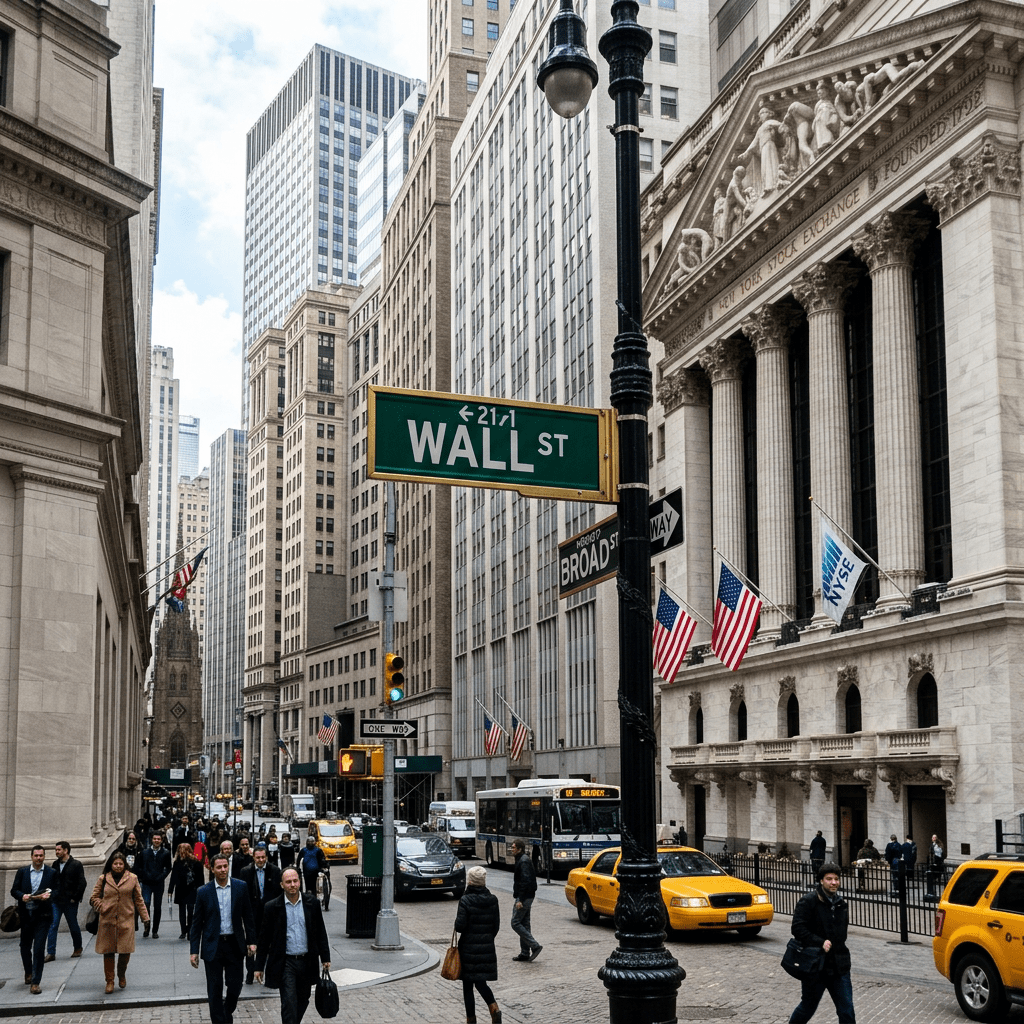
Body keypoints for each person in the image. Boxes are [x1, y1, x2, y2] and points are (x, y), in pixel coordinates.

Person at [253, 867, 331, 1024]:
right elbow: (264, 940)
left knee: (303, 999)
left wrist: (325, 958)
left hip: (307, 960)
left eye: (295, 881)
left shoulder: (312, 903)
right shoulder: (272, 907)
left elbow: (320, 932)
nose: (292, 885)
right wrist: (258, 966)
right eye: (288, 882)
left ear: (300, 882)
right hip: (286, 962)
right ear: (282, 885)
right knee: (288, 1002)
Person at [190, 853, 257, 1024]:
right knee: (214, 988)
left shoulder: (240, 887)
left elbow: (248, 916)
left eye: (225, 866)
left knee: (235, 985)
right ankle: (219, 1021)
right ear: (212, 869)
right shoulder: (203, 892)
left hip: (235, 943)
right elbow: (196, 924)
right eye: (218, 867)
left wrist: (251, 941)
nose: (222, 870)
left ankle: (226, 1011)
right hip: (213, 945)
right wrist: (194, 951)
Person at [787, 862, 855, 1024]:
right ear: (821, 881)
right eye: (829, 879)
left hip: (839, 965)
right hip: (815, 965)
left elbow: (841, 934)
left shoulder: (841, 903)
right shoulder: (808, 901)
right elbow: (797, 928)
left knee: (847, 1010)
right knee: (808, 1006)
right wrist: (820, 942)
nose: (834, 883)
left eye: (836, 879)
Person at [90, 850, 149, 994]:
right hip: (107, 920)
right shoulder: (103, 878)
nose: (117, 866)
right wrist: (101, 905)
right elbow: (94, 897)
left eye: (120, 864)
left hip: (126, 920)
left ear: (125, 865)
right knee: (108, 952)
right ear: (111, 864)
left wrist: (145, 917)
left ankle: (121, 974)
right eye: (115, 863)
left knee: (125, 951)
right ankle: (109, 981)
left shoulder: (132, 878)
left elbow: (138, 899)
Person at [455, 865, 502, 1024]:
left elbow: (460, 926)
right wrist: (487, 938)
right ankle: (493, 1007)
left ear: (470, 881)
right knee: (481, 981)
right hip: (487, 946)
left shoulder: (465, 900)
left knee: (468, 985)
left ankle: (471, 1019)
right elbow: (496, 926)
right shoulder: (492, 899)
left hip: (468, 948)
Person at [11, 845, 57, 993]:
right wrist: (22, 896)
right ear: (31, 856)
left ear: (44, 857)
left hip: (43, 916)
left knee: (38, 949)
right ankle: (28, 972)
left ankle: (35, 982)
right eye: (36, 856)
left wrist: (49, 896)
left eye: (41, 856)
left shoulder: (51, 873)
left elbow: (57, 890)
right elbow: (14, 890)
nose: (38, 858)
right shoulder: (22, 872)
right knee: (25, 946)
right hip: (26, 916)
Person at [241, 845, 282, 984]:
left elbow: (279, 893)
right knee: (251, 944)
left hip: (270, 914)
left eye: (263, 857)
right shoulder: (246, 872)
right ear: (253, 858)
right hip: (252, 915)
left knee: (269, 944)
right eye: (258, 857)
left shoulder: (275, 871)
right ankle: (250, 973)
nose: (260, 860)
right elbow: (243, 894)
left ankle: (268, 972)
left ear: (266, 857)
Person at [46, 840, 86, 962]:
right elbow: (52, 881)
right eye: (56, 850)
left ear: (66, 850)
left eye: (58, 850)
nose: (56, 852)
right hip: (56, 901)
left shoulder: (76, 864)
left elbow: (82, 883)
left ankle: (78, 947)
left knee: (73, 924)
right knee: (53, 926)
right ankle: (51, 953)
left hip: (70, 901)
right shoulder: (55, 864)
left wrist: (75, 897)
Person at [509, 840, 541, 962]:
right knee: (524, 924)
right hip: (527, 895)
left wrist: (520, 899)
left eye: (513, 847)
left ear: (519, 849)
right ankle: (525, 953)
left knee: (515, 922)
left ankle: (534, 945)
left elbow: (525, 881)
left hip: (525, 897)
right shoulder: (522, 859)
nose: (511, 849)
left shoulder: (523, 861)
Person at [139, 831, 173, 938]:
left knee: (157, 907)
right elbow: (140, 866)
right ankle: (147, 927)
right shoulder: (144, 852)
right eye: (155, 839)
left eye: (158, 839)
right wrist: (145, 875)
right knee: (146, 904)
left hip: (158, 883)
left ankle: (155, 930)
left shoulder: (166, 853)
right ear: (151, 840)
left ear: (161, 840)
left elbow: (168, 868)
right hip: (147, 883)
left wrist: (161, 877)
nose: (156, 841)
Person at [169, 843, 204, 940]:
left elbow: (200, 878)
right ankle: (186, 931)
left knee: (188, 910)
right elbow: (173, 877)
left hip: (189, 889)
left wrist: (170, 890)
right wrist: (170, 889)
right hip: (185, 889)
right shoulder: (180, 862)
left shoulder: (194, 862)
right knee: (187, 911)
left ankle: (186, 931)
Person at [925, 835, 946, 901]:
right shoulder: (935, 845)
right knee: (934, 878)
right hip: (936, 864)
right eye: (932, 837)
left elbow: (935, 854)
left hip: (936, 864)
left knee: (934, 878)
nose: (932, 838)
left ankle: (933, 892)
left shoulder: (936, 846)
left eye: (933, 837)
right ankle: (933, 892)